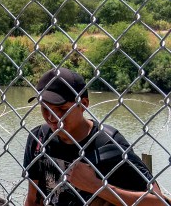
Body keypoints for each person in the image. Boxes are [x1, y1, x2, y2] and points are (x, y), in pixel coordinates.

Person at [22, 67, 165, 206]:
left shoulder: (109, 143)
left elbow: (159, 202)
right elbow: (33, 199)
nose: (52, 117)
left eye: (61, 109)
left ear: (83, 104)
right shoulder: (38, 138)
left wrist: (97, 186)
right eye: (44, 108)